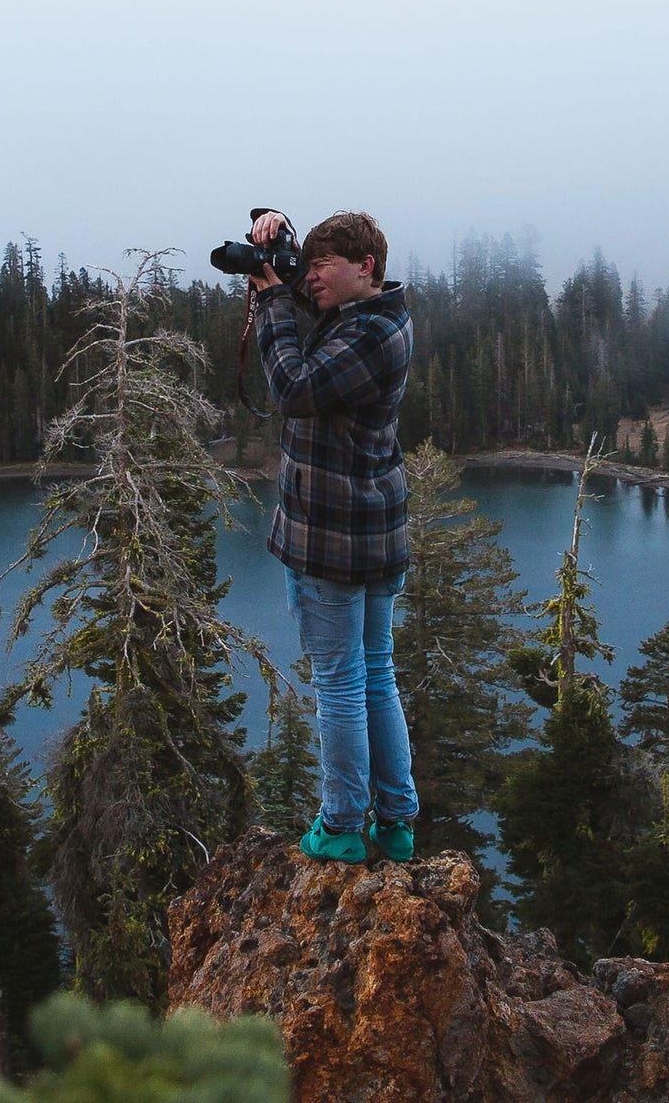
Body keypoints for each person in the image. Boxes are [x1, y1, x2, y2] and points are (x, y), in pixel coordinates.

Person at [247, 208, 417, 863]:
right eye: (307, 265)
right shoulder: (368, 317)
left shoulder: (369, 334)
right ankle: (397, 823)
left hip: (333, 539)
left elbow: (295, 386)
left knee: (341, 681)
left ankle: (343, 825)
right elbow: (304, 293)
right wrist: (272, 222)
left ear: (364, 265)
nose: (309, 278)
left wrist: (269, 307)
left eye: (323, 267)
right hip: (369, 531)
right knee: (375, 673)